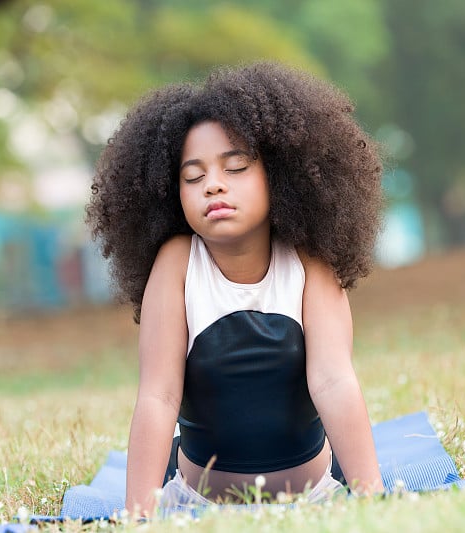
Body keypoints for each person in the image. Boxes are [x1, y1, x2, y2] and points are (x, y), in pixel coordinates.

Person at [86, 62, 385, 518]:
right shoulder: (176, 264)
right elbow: (158, 395)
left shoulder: (307, 262)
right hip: (197, 501)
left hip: (315, 497)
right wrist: (139, 515)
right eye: (193, 176)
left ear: (281, 175)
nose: (214, 185)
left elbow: (334, 381)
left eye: (236, 166)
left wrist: (373, 499)